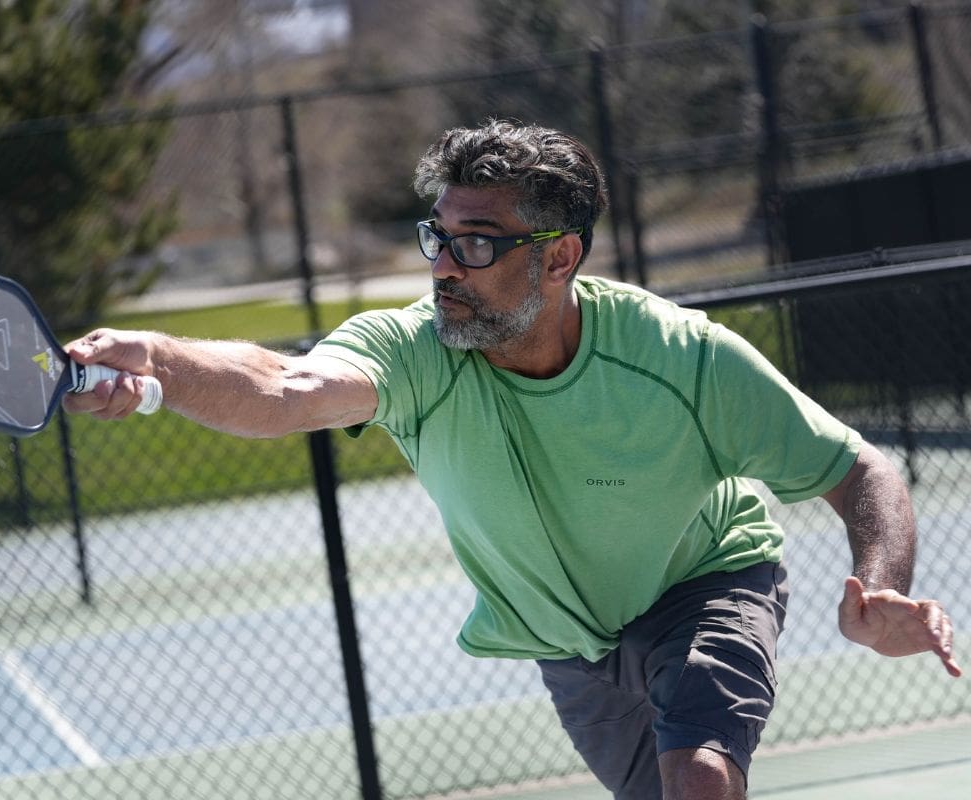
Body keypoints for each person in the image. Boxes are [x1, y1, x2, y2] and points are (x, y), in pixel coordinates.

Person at [61, 119, 960, 800]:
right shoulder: (414, 351)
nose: (446, 265)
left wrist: (877, 587)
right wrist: (162, 361)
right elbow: (286, 386)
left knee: (701, 780)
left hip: (706, 582)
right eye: (438, 237)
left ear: (559, 256)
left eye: (478, 242)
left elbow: (858, 468)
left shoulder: (678, 358)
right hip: (569, 642)